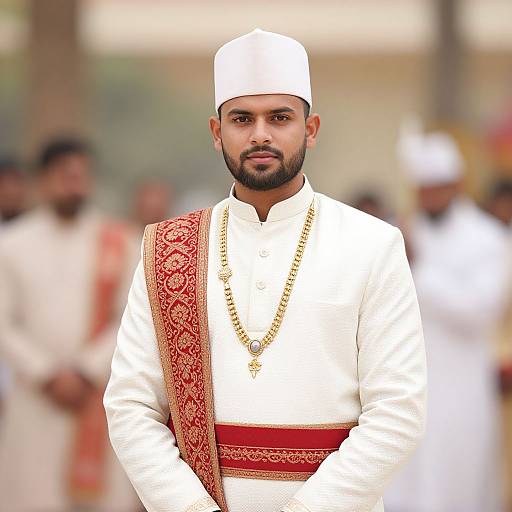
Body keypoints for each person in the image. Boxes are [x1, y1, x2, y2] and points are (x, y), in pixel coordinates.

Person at [104, 29, 427, 512]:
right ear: (217, 134)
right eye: (241, 119)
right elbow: (131, 406)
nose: (260, 134)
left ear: (311, 128)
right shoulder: (169, 248)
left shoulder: (372, 244)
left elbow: (398, 410)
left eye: (279, 117)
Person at [0, 138, 141, 512]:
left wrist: (84, 371)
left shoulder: (119, 241)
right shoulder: (11, 245)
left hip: (96, 396)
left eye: (81, 175)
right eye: (65, 175)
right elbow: (3, 324)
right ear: (43, 180)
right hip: (36, 400)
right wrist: (46, 373)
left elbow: (131, 315)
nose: (74, 184)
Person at [385, 131, 510, 512]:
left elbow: (479, 309)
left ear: (456, 184)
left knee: (459, 486)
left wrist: (417, 266)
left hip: (462, 389)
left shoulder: (490, 239)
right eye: (423, 188)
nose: (430, 196)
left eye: (438, 187)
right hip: (405, 384)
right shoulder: (402, 232)